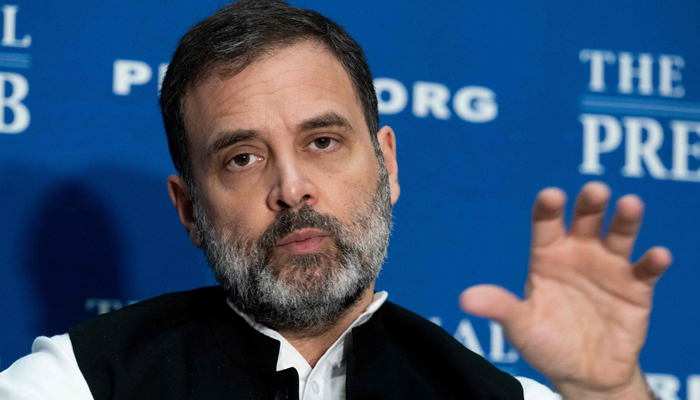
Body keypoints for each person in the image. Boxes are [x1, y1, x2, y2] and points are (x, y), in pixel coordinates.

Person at [0, 1, 671, 399]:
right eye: (242, 158)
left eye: (322, 142)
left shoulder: (501, 398)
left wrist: (612, 394)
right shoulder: (78, 383)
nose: (292, 189)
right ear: (188, 210)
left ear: (387, 163)